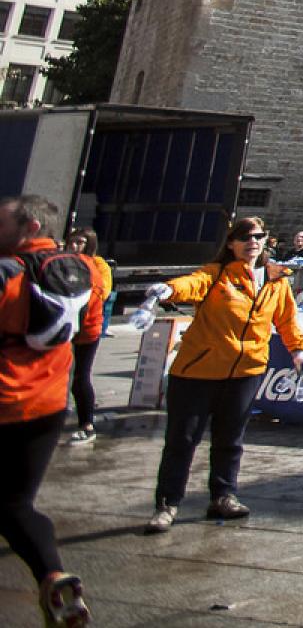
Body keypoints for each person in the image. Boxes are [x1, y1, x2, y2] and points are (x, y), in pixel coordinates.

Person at [143, 215, 303, 533]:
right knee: (182, 441)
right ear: (231, 243)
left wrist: (299, 350)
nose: (252, 242)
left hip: (246, 371)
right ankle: (167, 503)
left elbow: (287, 321)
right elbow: (191, 283)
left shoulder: (276, 280)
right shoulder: (217, 274)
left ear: (266, 240)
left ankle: (223, 496)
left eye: (258, 236)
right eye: (245, 237)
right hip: (198, 372)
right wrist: (168, 290)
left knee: (230, 440)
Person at [0, 196, 92, 628]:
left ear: (31, 227)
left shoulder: (9, 273)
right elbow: (89, 330)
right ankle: (52, 575)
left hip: (5, 398)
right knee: (17, 502)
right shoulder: (84, 272)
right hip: (48, 404)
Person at [62, 231, 108, 446]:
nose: (74, 246)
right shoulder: (64, 263)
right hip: (70, 327)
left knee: (80, 377)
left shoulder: (94, 266)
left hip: (85, 329)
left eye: (80, 242)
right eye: (72, 241)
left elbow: (100, 294)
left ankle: (87, 424)